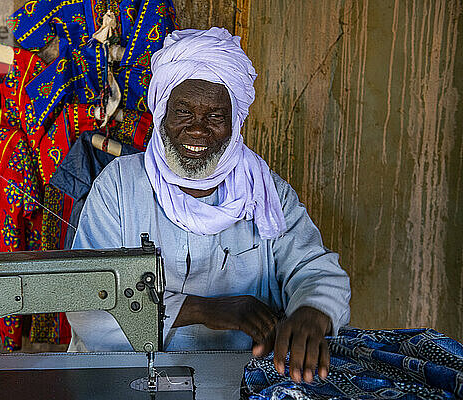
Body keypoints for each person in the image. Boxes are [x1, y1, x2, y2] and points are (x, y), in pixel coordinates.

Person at [67, 27, 351, 383]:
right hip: (130, 375)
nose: (198, 129)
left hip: (241, 379)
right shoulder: (119, 187)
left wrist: (312, 311)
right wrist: (203, 310)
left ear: (235, 123)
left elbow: (315, 269)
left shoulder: (264, 191)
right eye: (183, 111)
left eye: (216, 116)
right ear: (161, 114)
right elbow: (86, 300)